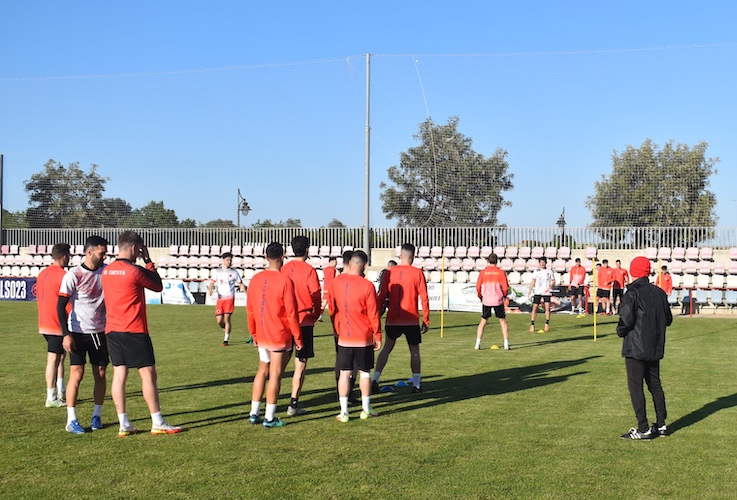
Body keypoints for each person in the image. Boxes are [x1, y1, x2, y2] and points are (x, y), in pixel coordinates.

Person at [101, 231, 181, 437]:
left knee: (119, 374)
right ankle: (157, 421)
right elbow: (157, 285)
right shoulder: (133, 270)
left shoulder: (107, 271)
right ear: (135, 248)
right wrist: (148, 261)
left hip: (112, 329)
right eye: (139, 250)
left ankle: (124, 423)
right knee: (148, 374)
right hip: (134, 329)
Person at [246, 242, 303, 428]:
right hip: (278, 334)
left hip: (262, 333)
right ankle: (269, 417)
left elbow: (251, 310)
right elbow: (291, 313)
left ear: (265, 257)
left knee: (262, 370)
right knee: (275, 375)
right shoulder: (285, 281)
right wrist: (298, 337)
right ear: (282, 257)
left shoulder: (255, 279)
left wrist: (253, 332)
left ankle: (254, 412)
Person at [58, 236, 109, 434]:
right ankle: (71, 420)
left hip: (99, 331)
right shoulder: (74, 275)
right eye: (101, 252)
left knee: (101, 373)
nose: (104, 256)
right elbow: (60, 305)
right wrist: (65, 334)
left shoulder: (106, 272)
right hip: (77, 332)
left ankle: (97, 416)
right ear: (89, 252)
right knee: (77, 374)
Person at [617, 256, 672, 439]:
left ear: (633, 271)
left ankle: (643, 428)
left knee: (636, 387)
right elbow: (669, 319)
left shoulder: (632, 292)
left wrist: (620, 330)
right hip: (654, 345)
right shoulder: (659, 293)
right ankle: (662, 424)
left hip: (635, 346)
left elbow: (626, 319)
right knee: (655, 385)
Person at [328, 250, 382, 422]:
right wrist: (378, 335)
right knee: (365, 373)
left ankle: (344, 412)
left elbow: (332, 309)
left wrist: (336, 327)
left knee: (344, 373)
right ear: (364, 265)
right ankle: (365, 410)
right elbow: (373, 314)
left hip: (344, 336)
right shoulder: (367, 286)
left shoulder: (336, 283)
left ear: (349, 262)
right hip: (363, 337)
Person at [373, 243, 429, 394]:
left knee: (387, 348)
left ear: (400, 255)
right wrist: (426, 319)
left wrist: (376, 315)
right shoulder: (418, 273)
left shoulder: (390, 272)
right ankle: (416, 385)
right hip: (411, 319)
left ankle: (375, 379)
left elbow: (381, 296)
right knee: (414, 351)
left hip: (393, 318)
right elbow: (424, 297)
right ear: (414, 256)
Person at [281, 236, 322, 416]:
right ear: (307, 249)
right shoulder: (309, 270)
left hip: (284, 321)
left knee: (278, 365)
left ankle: (271, 402)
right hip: (303, 320)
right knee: (301, 364)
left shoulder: (284, 269)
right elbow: (316, 294)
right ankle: (293, 404)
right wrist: (316, 313)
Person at [36, 243, 72, 408]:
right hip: (56, 323)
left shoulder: (42, 273)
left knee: (60, 357)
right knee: (53, 358)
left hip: (44, 322)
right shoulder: (63, 275)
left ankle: (61, 391)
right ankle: (51, 396)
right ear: (64, 256)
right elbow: (67, 302)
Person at [207, 252, 246, 346]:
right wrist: (210, 289)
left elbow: (240, 284)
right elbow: (212, 282)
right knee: (219, 321)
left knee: (227, 318)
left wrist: (246, 293)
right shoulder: (217, 271)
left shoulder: (234, 272)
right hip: (220, 298)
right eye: (227, 260)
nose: (229, 261)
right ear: (223, 260)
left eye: (230, 260)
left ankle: (226, 340)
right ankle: (226, 329)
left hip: (230, 298)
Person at [475, 253, 509, 350]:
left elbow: (478, 287)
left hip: (487, 300)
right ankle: (506, 343)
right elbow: (506, 287)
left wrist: (480, 296)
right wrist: (504, 295)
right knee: (502, 321)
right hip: (498, 299)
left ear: (488, 261)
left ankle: (478, 343)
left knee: (483, 321)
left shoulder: (483, 272)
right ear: (497, 261)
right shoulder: (501, 272)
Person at [529, 256, 555, 333]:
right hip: (538, 291)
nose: (542, 264)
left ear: (546, 263)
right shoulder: (536, 271)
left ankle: (547, 323)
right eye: (541, 262)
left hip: (546, 292)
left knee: (547, 308)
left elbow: (553, 281)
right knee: (535, 308)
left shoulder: (549, 271)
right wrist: (530, 290)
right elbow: (533, 281)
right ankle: (532, 324)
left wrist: (550, 286)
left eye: (543, 262)